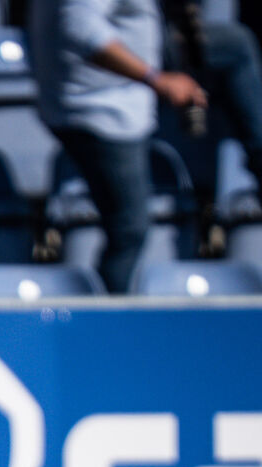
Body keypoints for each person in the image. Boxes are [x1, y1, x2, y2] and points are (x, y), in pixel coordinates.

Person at [31, 0, 207, 292]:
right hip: (101, 107)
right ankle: (107, 311)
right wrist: (156, 79)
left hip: (111, 101)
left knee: (235, 46)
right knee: (130, 228)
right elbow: (79, 26)